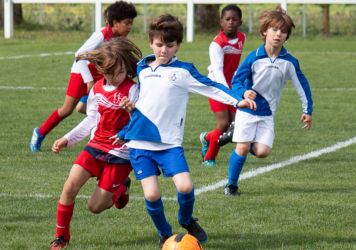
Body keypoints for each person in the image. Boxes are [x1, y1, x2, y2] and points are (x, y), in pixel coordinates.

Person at [114, 14, 256, 248]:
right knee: (151, 195)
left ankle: (186, 220)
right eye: (159, 45)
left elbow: (211, 86)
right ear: (151, 43)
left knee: (186, 187)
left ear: (178, 45)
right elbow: (135, 95)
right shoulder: (142, 68)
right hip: (140, 144)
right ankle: (165, 234)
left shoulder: (184, 71)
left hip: (169, 144)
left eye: (169, 46)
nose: (163, 50)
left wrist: (237, 100)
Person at [49, 37, 142, 249]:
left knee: (95, 206)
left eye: (120, 71)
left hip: (120, 154)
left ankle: (121, 188)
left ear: (126, 66)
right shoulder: (97, 89)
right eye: (110, 73)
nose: (116, 77)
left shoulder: (133, 90)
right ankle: (61, 237)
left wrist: (133, 109)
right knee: (69, 186)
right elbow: (91, 119)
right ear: (101, 69)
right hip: (95, 147)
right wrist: (67, 138)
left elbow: (143, 121)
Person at [224, 7, 313, 196]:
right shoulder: (254, 58)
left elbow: (302, 85)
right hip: (248, 110)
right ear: (265, 31)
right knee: (242, 147)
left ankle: (236, 136)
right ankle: (231, 185)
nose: (278, 34)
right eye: (274, 30)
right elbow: (236, 81)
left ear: (287, 36)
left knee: (263, 151)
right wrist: (244, 94)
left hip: (267, 113)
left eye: (283, 31)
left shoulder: (289, 62)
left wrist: (308, 110)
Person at [29, 0, 138, 152]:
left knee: (97, 106)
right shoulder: (101, 35)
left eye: (131, 23)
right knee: (67, 110)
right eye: (127, 23)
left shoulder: (120, 38)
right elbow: (79, 55)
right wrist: (89, 81)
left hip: (100, 75)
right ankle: (39, 133)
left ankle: (104, 135)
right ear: (115, 22)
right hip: (81, 72)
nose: (130, 27)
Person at [199, 4, 246, 167]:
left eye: (234, 19)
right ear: (221, 22)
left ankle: (207, 137)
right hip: (215, 86)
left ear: (240, 21)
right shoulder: (217, 44)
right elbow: (218, 72)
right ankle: (209, 158)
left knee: (236, 126)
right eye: (227, 19)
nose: (231, 22)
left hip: (231, 87)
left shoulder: (241, 38)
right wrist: (227, 92)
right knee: (224, 123)